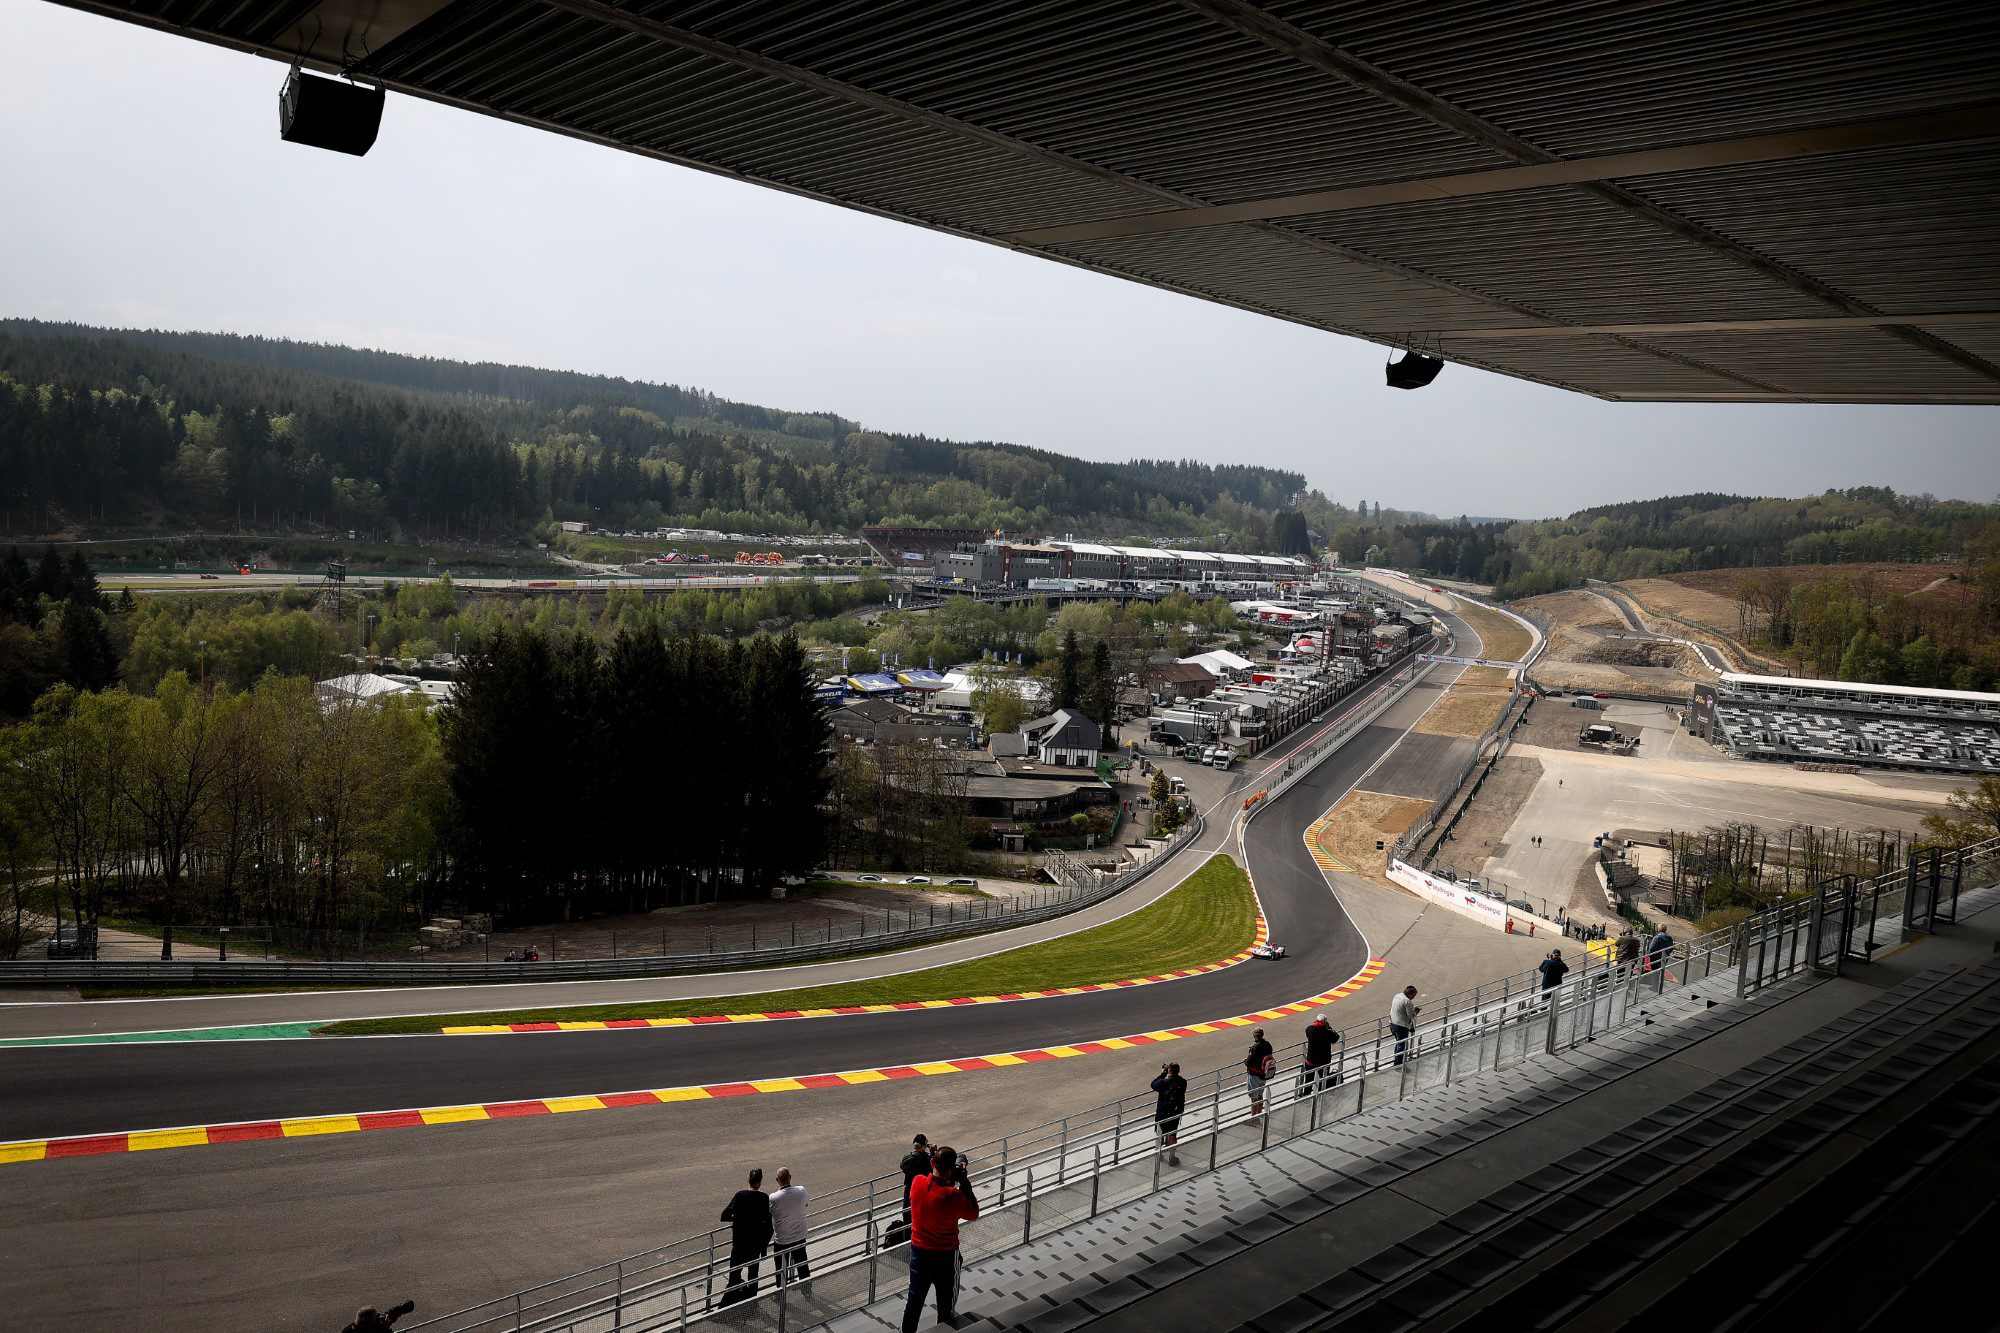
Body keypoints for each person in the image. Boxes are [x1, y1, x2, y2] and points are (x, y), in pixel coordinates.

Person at [904, 1146, 979, 1333]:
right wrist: (964, 1182)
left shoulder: (917, 1183)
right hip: (945, 1258)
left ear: (932, 1163)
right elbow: (973, 1213)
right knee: (946, 1310)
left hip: (918, 1255)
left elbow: (933, 1187)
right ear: (952, 1170)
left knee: (913, 1305)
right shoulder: (952, 1196)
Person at [720, 1168, 773, 1306]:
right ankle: (752, 1303)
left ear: (749, 1180)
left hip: (739, 1244)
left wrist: (737, 1218)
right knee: (753, 1275)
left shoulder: (739, 1196)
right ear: (760, 1182)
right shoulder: (764, 1198)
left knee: (734, 1275)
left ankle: (732, 1302)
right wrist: (763, 1247)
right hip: (755, 1246)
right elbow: (769, 1226)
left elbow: (724, 1216)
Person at [884, 1134, 930, 1249]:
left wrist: (914, 1154)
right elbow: (936, 1165)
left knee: (908, 1218)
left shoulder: (909, 1160)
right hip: (925, 1193)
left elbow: (902, 1165)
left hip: (909, 1193)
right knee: (923, 1219)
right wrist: (932, 1151)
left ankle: (908, 1245)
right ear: (924, 1146)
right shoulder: (928, 1159)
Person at [769, 1167, 810, 1289]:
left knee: (780, 1268)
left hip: (782, 1240)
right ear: (790, 1177)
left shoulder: (773, 1197)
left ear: (777, 1180)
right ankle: (807, 1289)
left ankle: (780, 1291)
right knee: (802, 1264)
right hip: (799, 1236)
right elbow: (806, 1203)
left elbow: (768, 1212)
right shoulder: (801, 1190)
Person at [1151, 1062, 1187, 1167]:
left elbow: (1153, 1085)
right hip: (1175, 1113)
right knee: (1173, 1135)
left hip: (1162, 1113)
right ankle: (1172, 1158)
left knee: (1160, 1133)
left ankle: (1159, 1153)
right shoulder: (1183, 1082)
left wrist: (1162, 1074)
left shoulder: (1164, 1082)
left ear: (1169, 1071)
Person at [1300, 1013, 1339, 1094]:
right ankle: (1321, 1093)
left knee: (1308, 1080)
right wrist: (1329, 1027)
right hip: (1323, 1061)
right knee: (1322, 1079)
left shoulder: (1310, 1029)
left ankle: (1306, 1095)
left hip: (1311, 1060)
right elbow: (1336, 1038)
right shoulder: (1327, 1031)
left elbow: (1307, 1033)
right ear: (1325, 1022)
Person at [1244, 1028, 1276, 1120]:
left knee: (1254, 1098)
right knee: (1260, 1095)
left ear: (1254, 1036)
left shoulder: (1255, 1047)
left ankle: (1254, 1119)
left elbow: (1248, 1062)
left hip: (1254, 1075)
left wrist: (1245, 1060)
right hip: (1264, 1074)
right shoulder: (1268, 1044)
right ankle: (1259, 1114)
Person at [1390, 986, 1420, 1066]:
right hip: (1401, 1026)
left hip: (1392, 1023)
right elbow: (1411, 1016)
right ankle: (1398, 1063)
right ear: (1410, 994)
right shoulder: (1407, 1001)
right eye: (1414, 995)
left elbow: (1401, 1008)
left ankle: (1396, 1060)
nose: (1414, 997)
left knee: (1398, 1042)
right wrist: (1416, 1012)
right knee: (1401, 1045)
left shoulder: (1397, 996)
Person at [344, 1302, 414, 1333]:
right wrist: (386, 1328)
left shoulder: (348, 1329)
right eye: (376, 1316)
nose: (379, 1316)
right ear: (370, 1323)